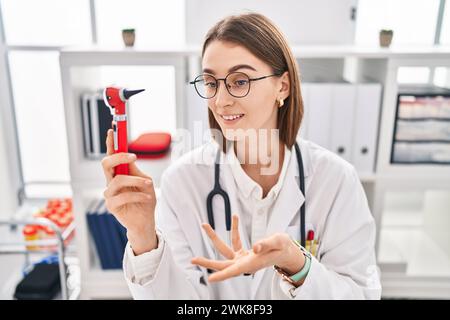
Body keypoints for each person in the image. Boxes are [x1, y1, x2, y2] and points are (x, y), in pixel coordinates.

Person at [101, 13, 381, 299]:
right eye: (211, 83)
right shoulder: (181, 182)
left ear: (282, 86)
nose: (221, 101)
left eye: (239, 81)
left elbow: (362, 294)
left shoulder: (335, 181)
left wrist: (297, 264)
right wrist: (142, 235)